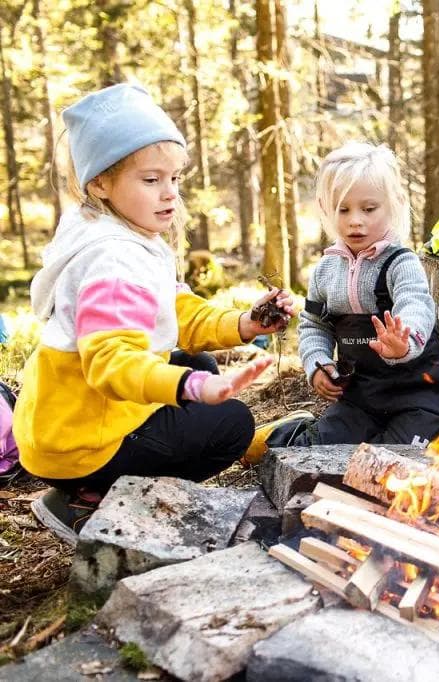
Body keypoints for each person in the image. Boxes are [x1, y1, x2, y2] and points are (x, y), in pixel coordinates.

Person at [15, 83, 294, 544]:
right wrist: (192, 388)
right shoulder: (113, 260)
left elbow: (177, 311)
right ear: (100, 182)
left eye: (175, 179)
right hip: (81, 442)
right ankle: (90, 504)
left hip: (68, 424)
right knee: (231, 425)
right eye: (151, 180)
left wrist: (245, 324)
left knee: (195, 363)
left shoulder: (125, 235)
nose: (169, 195)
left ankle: (83, 491)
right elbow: (111, 363)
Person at [243, 142, 439, 462]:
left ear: (392, 206)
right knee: (314, 454)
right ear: (326, 209)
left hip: (418, 400)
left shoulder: (400, 263)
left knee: (393, 463)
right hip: (360, 401)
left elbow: (416, 304)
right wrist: (317, 364)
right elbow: (315, 324)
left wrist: (405, 339)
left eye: (369, 209)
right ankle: (291, 431)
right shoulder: (326, 271)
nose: (356, 220)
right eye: (343, 209)